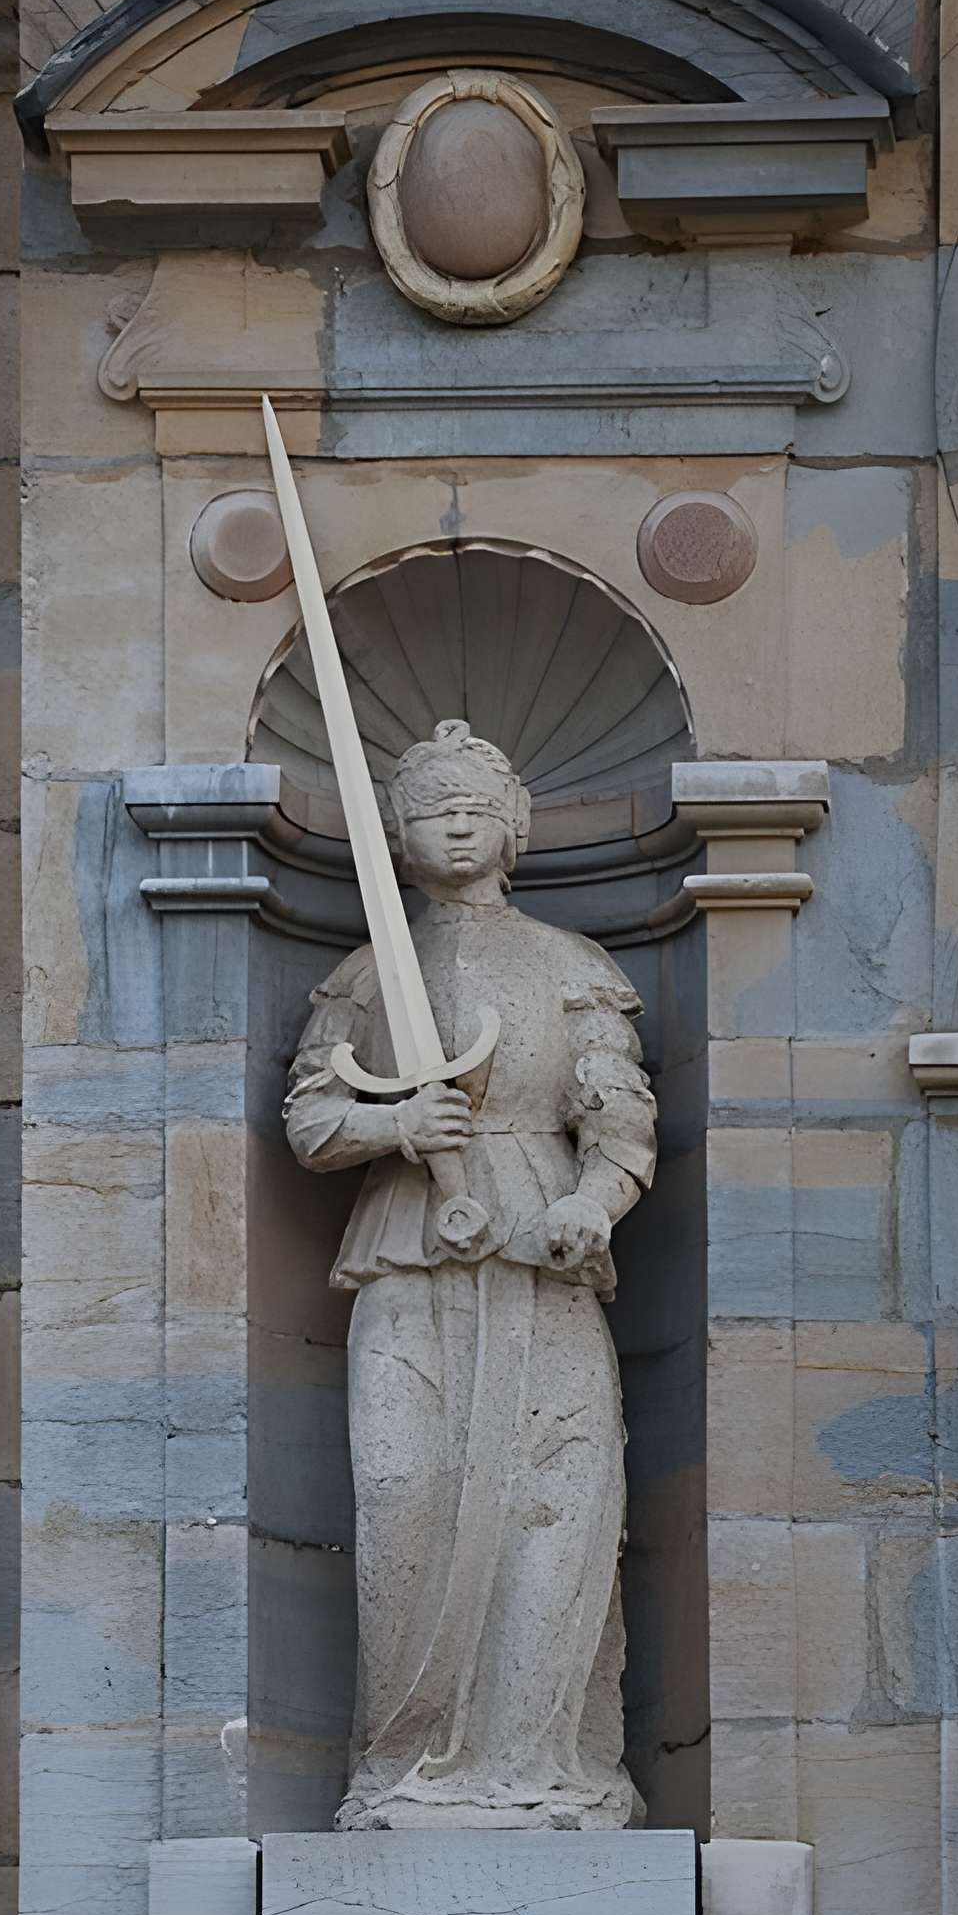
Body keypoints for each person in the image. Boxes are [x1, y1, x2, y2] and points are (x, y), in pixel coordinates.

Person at [284, 720, 657, 1829]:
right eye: (430, 808)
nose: (454, 821)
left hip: (539, 1251)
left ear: (517, 829)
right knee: (408, 1497)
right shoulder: (364, 977)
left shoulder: (568, 966)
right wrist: (393, 1120)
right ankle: (402, 1764)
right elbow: (310, 1118)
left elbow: (619, 1114)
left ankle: (539, 1763)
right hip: (408, 1250)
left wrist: (593, 1204)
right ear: (395, 838)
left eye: (475, 805)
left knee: (555, 1502)